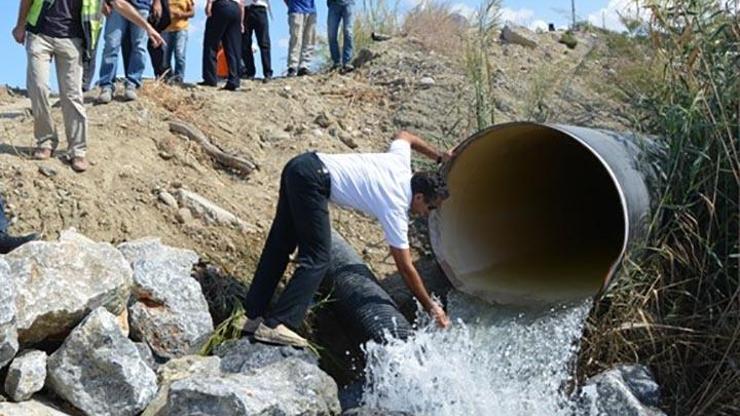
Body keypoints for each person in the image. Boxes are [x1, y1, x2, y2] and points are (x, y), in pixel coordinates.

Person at [243, 131, 453, 347]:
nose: (428, 213)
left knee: (281, 243)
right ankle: (279, 323)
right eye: (430, 207)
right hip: (313, 181)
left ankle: (252, 316)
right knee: (318, 257)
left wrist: (439, 156)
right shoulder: (396, 206)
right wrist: (430, 306)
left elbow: (405, 136)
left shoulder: (400, 164)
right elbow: (405, 267)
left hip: (301, 165)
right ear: (419, 197)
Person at [13, 0, 164, 173]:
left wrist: (147, 27)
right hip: (40, 34)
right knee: (38, 86)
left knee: (72, 94)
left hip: (72, 40)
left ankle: (77, 150)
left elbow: (120, 4)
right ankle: (45, 141)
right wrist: (20, 25)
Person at [97, 0, 163, 104]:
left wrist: (157, 2)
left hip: (142, 5)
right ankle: (106, 86)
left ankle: (132, 84)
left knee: (139, 46)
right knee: (111, 44)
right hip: (116, 5)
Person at [201, 0, 244, 91]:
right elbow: (241, 3)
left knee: (211, 43)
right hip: (235, 8)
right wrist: (241, 21)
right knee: (233, 47)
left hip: (221, 6)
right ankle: (234, 80)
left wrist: (209, 3)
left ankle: (210, 79)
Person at [241, 0, 272, 82]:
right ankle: (250, 72)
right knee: (245, 43)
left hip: (260, 8)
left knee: (264, 42)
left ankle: (267, 72)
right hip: (245, 8)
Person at [162, 0, 193, 83]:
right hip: (166, 28)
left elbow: (192, 13)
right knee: (165, 57)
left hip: (181, 29)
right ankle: (168, 77)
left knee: (180, 54)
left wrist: (182, 14)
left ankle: (178, 78)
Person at [286, 0, 316, 76]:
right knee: (296, 39)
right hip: (296, 9)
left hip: (311, 10)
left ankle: (304, 66)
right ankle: (293, 67)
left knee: (309, 39)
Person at [326, 0, 353, 73]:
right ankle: (336, 62)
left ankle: (347, 62)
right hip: (333, 4)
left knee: (348, 32)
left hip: (347, 4)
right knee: (332, 34)